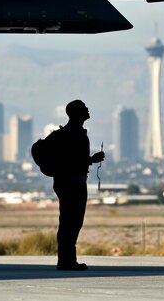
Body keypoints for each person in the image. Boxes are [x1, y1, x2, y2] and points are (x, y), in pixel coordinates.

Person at [53, 99, 104, 271]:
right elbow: (71, 161)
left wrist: (89, 161)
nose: (88, 110)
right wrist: (91, 160)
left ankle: (67, 260)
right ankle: (66, 261)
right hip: (71, 184)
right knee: (70, 222)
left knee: (71, 222)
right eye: (84, 108)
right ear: (76, 113)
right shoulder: (72, 134)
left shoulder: (74, 133)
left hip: (71, 183)